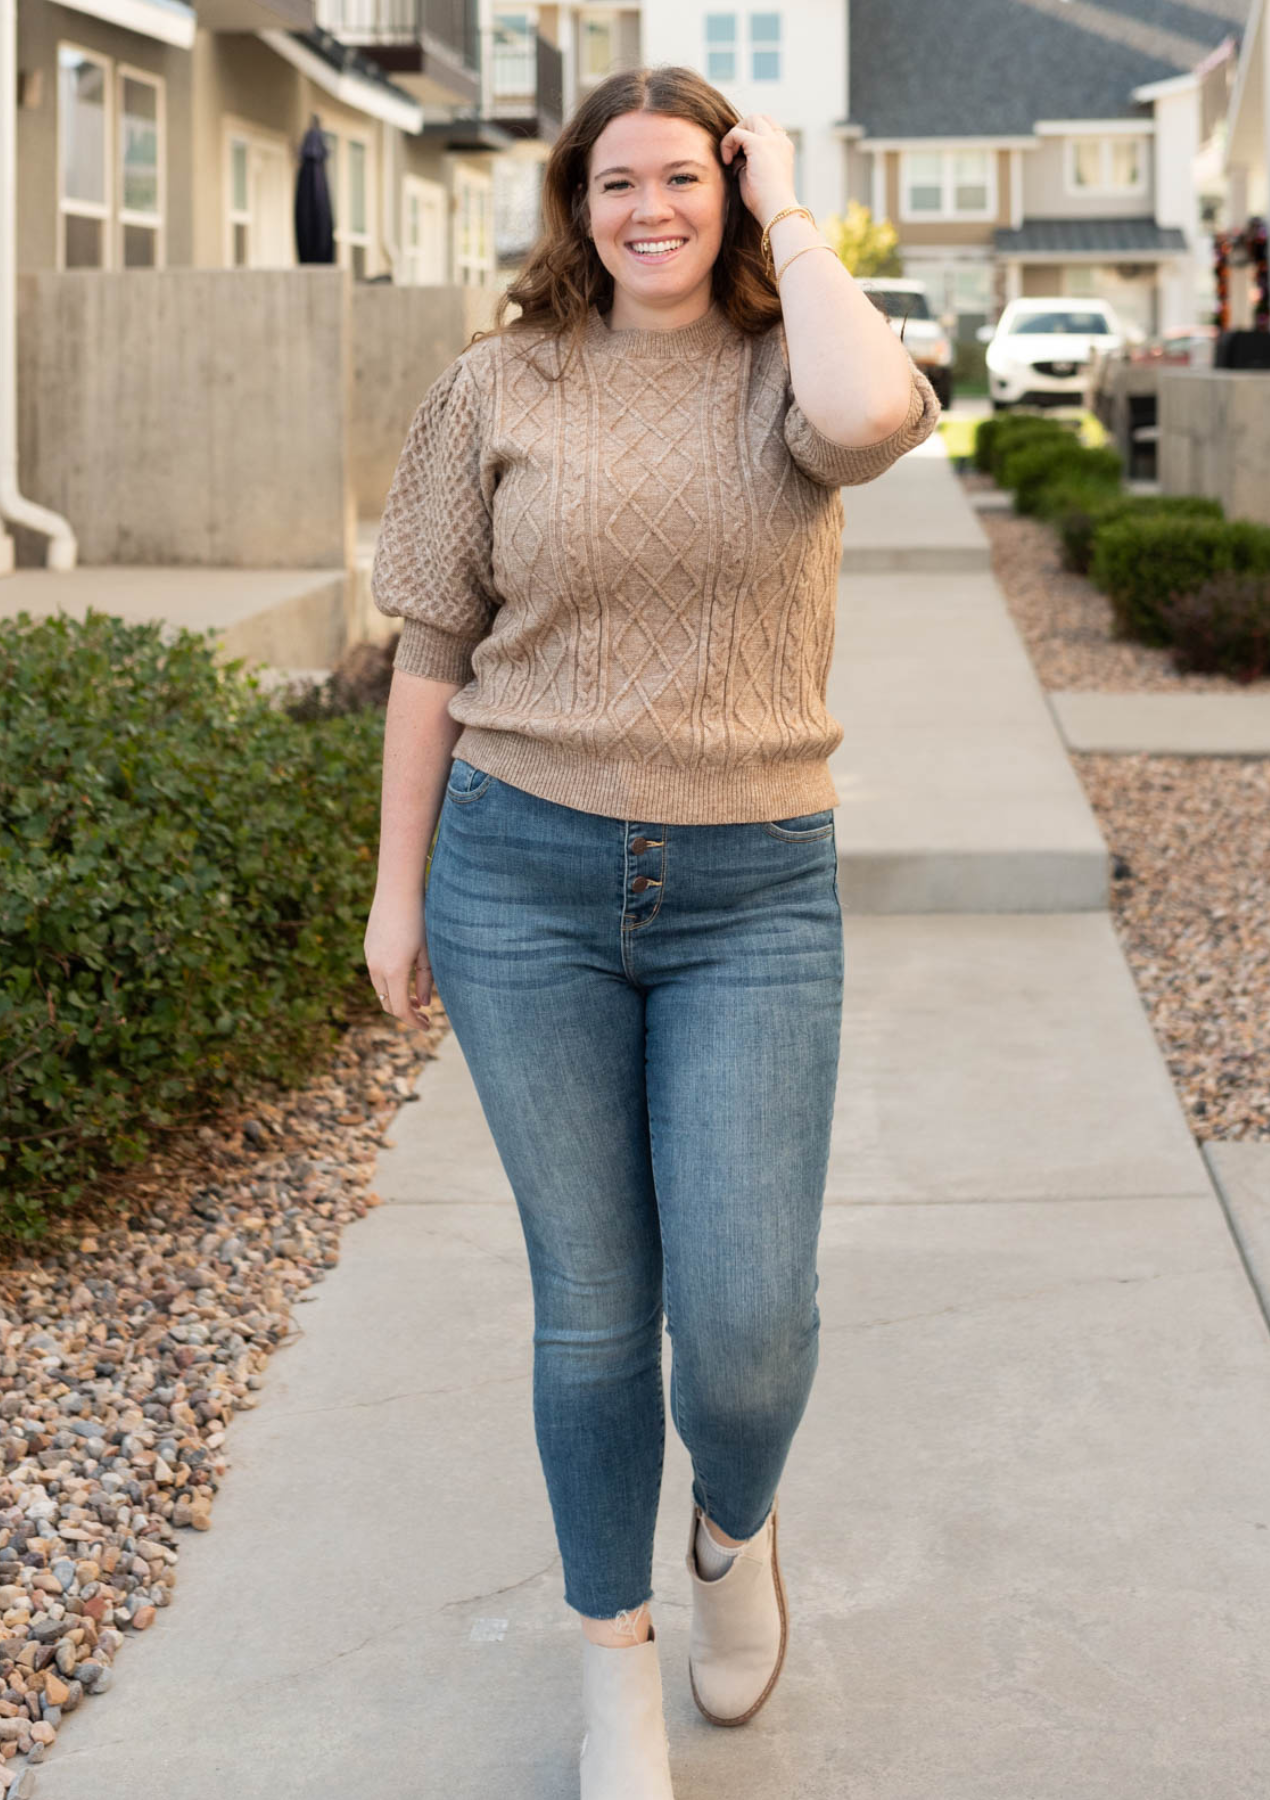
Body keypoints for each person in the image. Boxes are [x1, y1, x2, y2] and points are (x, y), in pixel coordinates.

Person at [364, 64, 940, 1799]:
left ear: (731, 185)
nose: (647, 211)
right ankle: (609, 1661)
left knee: (749, 1320)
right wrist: (398, 893)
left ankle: (736, 1529)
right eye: (615, 183)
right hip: (518, 879)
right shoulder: (496, 384)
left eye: (683, 177)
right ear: (575, 205)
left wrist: (790, 215)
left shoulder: (793, 369)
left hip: (751, 889)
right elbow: (431, 651)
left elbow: (880, 420)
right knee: (594, 1309)